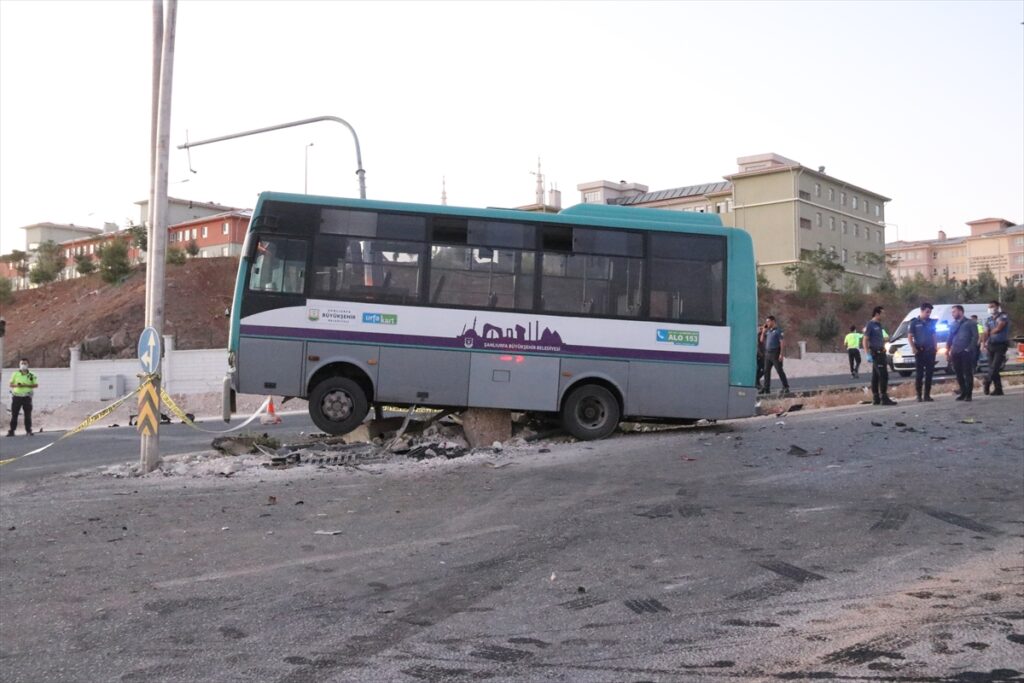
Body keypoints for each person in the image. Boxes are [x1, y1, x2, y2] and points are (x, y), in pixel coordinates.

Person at [863, 306, 896, 405]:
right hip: (876, 353)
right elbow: (865, 340)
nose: (884, 315)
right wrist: (867, 353)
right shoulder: (870, 325)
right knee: (883, 375)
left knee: (876, 376)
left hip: (881, 351)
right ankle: (884, 397)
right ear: (877, 314)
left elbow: (878, 338)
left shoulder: (879, 325)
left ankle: (876, 397)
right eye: (883, 313)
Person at [907, 303, 937, 402]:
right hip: (920, 351)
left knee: (929, 374)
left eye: (930, 312)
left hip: (930, 351)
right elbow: (910, 337)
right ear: (922, 311)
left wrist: (935, 347)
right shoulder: (914, 322)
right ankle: (919, 395)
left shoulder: (931, 322)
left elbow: (934, 335)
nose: (929, 314)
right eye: (927, 312)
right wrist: (913, 348)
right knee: (919, 374)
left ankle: (927, 395)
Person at [948, 305, 979, 402]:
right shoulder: (953, 324)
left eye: (954, 311)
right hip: (955, 351)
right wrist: (948, 349)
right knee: (958, 373)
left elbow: (975, 337)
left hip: (966, 352)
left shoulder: (970, 323)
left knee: (967, 373)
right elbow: (950, 337)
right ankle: (963, 392)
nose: (952, 314)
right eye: (952, 312)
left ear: (960, 312)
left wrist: (969, 348)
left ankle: (969, 394)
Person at [982, 300, 1010, 396]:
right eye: (989, 307)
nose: (990, 308)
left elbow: (999, 328)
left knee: (995, 366)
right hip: (991, 345)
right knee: (992, 367)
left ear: (997, 307)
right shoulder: (989, 319)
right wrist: (983, 343)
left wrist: (990, 332)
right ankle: (998, 389)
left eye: (992, 306)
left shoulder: (1003, 316)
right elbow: (986, 332)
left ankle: (986, 381)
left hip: (1001, 345)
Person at [760, 316, 790, 395]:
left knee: (779, 370)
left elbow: (782, 343)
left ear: (773, 321)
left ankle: (785, 386)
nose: (767, 323)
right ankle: (766, 388)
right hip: (768, 353)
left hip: (775, 353)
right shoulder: (768, 331)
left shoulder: (778, 331)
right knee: (766, 371)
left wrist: (781, 354)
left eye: (768, 321)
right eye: (766, 321)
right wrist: (763, 332)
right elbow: (761, 340)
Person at [8, 357, 38, 436]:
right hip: (16, 397)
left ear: (28, 364)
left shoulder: (31, 375)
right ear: (19, 364)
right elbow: (10, 384)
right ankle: (12, 431)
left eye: (25, 363)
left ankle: (28, 430)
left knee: (27, 414)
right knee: (14, 414)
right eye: (22, 363)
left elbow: (35, 385)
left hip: (27, 397)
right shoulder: (15, 374)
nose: (23, 365)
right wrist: (17, 385)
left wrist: (26, 385)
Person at [755, 324, 767, 391]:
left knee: (764, 369)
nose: (762, 329)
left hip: (765, 355)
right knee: (760, 369)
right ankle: (757, 382)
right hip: (760, 355)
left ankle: (757, 381)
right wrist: (760, 354)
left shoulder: (766, 335)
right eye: (761, 328)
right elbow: (757, 345)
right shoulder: (758, 335)